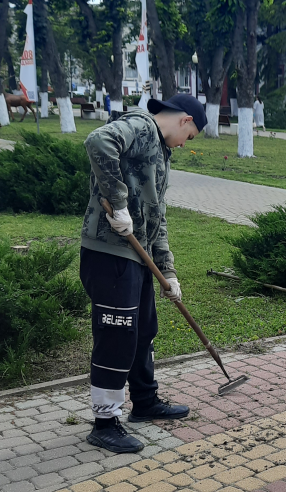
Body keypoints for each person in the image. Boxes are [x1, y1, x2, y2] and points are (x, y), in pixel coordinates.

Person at [79, 94, 207, 453]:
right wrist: (118, 203)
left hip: (137, 257)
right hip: (110, 254)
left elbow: (157, 216)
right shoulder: (141, 126)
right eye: (191, 136)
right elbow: (98, 141)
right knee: (117, 336)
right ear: (184, 120)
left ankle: (145, 402)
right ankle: (105, 422)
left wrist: (168, 271)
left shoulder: (160, 151)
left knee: (143, 331)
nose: (186, 144)